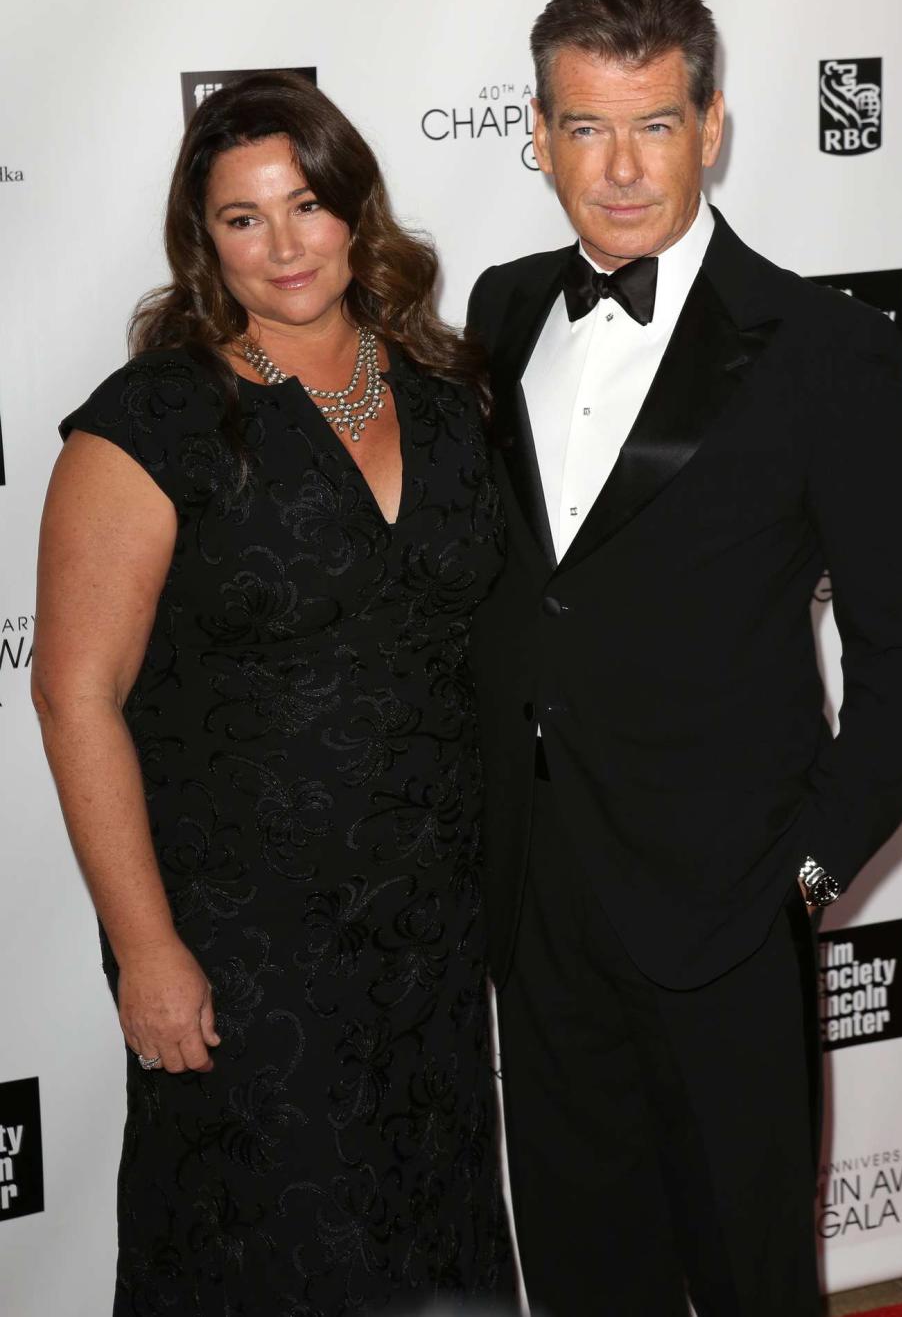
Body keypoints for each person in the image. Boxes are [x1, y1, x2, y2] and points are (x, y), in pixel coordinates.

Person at [466, 0, 902, 1317]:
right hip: (541, 894)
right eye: (584, 128)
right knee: (580, 1266)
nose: (619, 170)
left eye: (655, 127)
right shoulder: (504, 311)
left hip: (728, 901)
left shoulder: (824, 348)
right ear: (537, 130)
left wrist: (807, 870)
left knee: (749, 1273)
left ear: (715, 124)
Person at [32, 71, 510, 1315]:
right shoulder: (154, 423)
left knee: (431, 1238)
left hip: (432, 933)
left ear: (357, 213)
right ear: (205, 243)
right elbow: (75, 694)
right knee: (262, 1254)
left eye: (307, 205)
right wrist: (146, 952)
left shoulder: (451, 394)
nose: (285, 245)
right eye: (244, 219)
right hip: (247, 951)